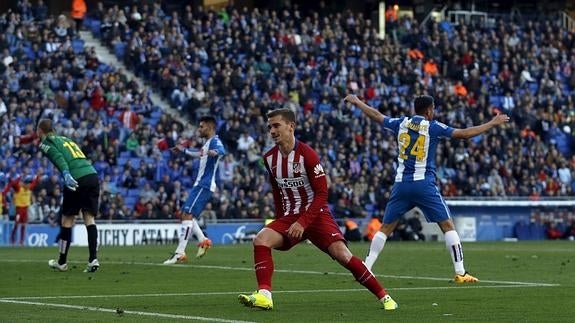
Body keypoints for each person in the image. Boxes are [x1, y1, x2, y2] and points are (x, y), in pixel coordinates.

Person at [238, 108, 397, 311]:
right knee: (261, 239)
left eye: (276, 125)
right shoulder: (269, 159)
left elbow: (322, 194)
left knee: (343, 256)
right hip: (290, 217)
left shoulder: (308, 155)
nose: (272, 131)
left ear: (291, 126)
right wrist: (281, 220)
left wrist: (303, 222)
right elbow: (277, 192)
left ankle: (384, 297)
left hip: (316, 215)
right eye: (269, 127)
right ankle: (264, 295)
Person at [344, 94, 510, 283]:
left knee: (385, 228)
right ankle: (461, 272)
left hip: (401, 185)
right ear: (429, 110)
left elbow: (376, 115)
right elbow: (464, 134)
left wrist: (357, 102)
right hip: (423, 185)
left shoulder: (401, 123)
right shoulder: (433, 127)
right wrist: (492, 123)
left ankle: (367, 267)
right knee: (448, 226)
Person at [36, 119, 100, 272]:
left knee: (67, 220)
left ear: (40, 130)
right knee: (89, 218)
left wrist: (65, 173)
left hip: (76, 178)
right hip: (92, 175)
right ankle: (93, 259)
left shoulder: (45, 142)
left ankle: (62, 262)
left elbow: (59, 158)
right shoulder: (67, 139)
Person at [163, 116, 226, 264]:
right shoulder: (207, 143)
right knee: (185, 214)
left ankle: (180, 252)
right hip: (200, 184)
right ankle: (203, 240)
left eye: (201, 127)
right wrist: (183, 151)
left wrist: (216, 152)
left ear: (210, 127)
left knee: (187, 214)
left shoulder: (215, 142)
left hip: (204, 185)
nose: (199, 129)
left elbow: (222, 150)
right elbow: (199, 154)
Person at [2, 174, 40, 245]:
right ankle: (12, 239)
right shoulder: (19, 188)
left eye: (30, 184)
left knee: (23, 225)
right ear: (25, 184)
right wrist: (19, 177)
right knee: (16, 224)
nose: (29, 185)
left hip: (25, 209)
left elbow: (35, 182)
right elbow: (13, 183)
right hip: (19, 209)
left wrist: (37, 176)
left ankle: (21, 241)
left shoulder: (30, 188)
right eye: (28, 184)